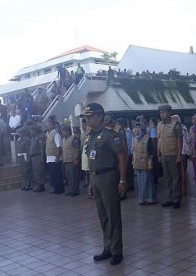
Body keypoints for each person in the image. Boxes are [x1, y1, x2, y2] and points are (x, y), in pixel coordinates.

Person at [81, 103, 127, 265]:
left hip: (109, 176)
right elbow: (92, 160)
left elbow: (122, 156)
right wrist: (91, 182)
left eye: (90, 116)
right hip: (97, 177)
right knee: (103, 215)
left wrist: (122, 179)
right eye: (86, 117)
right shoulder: (90, 136)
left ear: (100, 116)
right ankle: (107, 247)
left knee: (112, 214)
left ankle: (116, 251)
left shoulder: (109, 134)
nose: (87, 120)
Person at [157, 104, 183, 209]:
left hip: (173, 154)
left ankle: (177, 199)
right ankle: (170, 198)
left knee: (176, 177)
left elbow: (179, 140)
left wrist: (179, 155)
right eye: (160, 112)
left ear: (169, 112)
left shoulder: (175, 124)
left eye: (163, 112)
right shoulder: (159, 125)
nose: (161, 114)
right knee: (167, 178)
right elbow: (159, 140)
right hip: (163, 154)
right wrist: (158, 154)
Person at [132, 122, 156, 204]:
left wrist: (150, 163)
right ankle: (142, 199)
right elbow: (134, 152)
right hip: (138, 164)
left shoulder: (147, 138)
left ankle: (150, 199)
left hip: (146, 163)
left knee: (148, 181)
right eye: (136, 127)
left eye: (139, 127)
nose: (137, 129)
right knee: (140, 182)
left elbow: (151, 152)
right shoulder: (135, 139)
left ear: (142, 129)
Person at [45, 118, 64, 194]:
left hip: (54, 158)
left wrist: (57, 157)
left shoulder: (56, 134)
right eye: (46, 125)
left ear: (52, 125)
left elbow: (59, 146)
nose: (46, 126)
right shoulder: (48, 134)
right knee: (52, 175)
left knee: (57, 175)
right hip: (49, 158)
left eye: (48, 125)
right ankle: (56, 188)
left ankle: (59, 189)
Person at [61, 125, 80, 196]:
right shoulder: (63, 139)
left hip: (72, 160)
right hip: (66, 160)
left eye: (63, 131)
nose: (62, 133)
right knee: (68, 177)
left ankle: (75, 190)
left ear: (68, 131)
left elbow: (76, 149)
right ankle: (71, 189)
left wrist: (76, 159)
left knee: (74, 176)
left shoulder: (74, 138)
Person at [30, 126, 46, 193]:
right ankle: (39, 185)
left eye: (31, 131)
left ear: (35, 131)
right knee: (36, 172)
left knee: (39, 171)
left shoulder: (40, 137)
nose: (30, 132)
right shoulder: (32, 138)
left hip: (38, 156)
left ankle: (41, 186)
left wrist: (42, 158)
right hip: (33, 157)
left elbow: (41, 148)